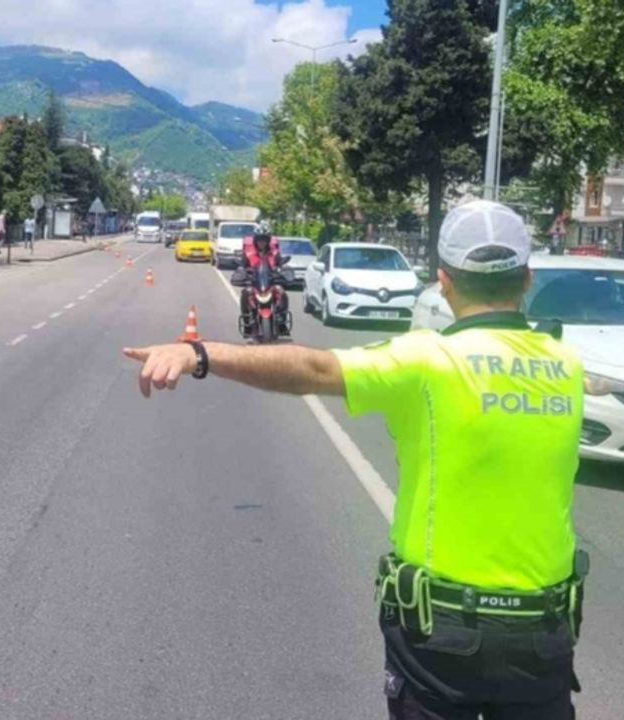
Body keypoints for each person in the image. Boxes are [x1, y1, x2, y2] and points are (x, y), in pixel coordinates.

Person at [123, 200, 586, 719]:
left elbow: (314, 369)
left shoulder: (427, 360)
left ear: (444, 283)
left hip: (442, 635)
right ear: (527, 279)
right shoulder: (567, 366)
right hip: (544, 635)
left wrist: (200, 354)